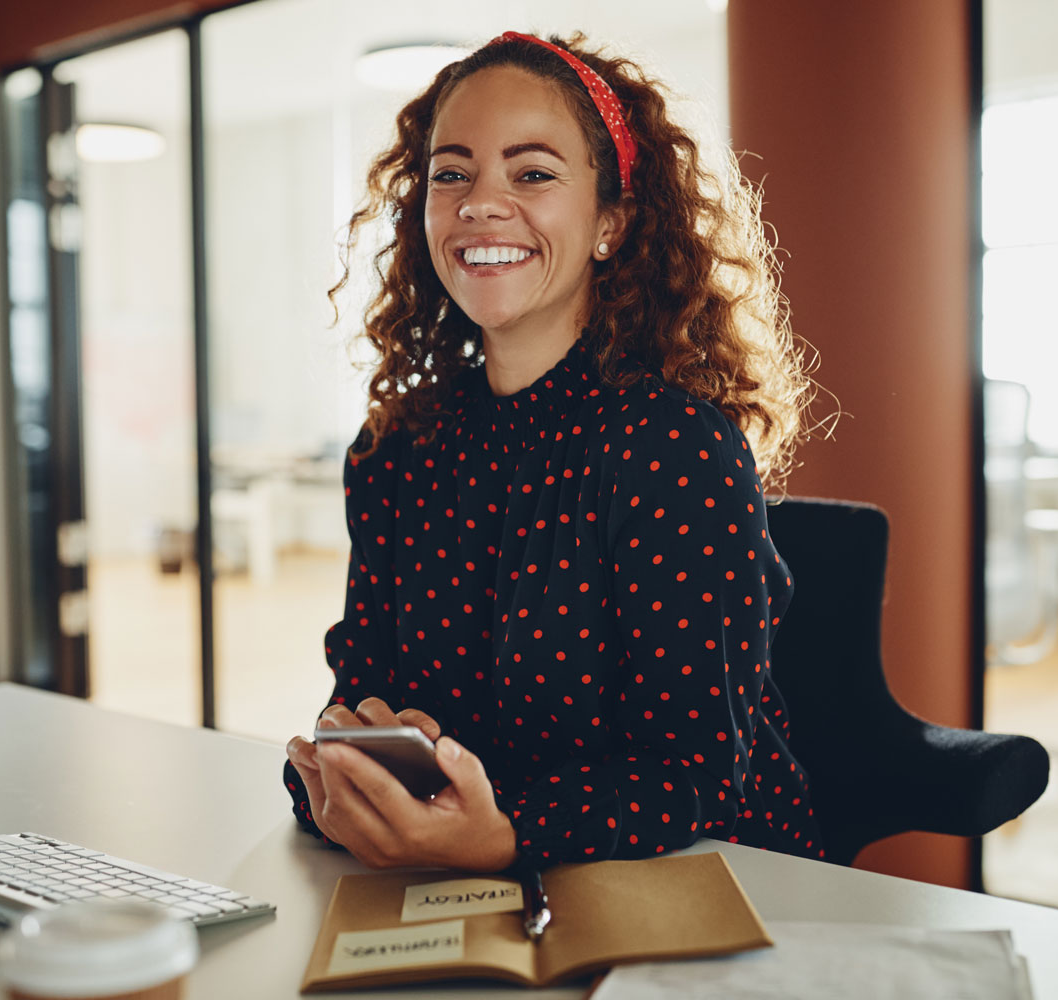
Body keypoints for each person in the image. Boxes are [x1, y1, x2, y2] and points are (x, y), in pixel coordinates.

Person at [284, 30, 824, 873]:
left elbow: (696, 777)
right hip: (463, 883)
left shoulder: (672, 447)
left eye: (531, 173)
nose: (479, 204)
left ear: (611, 223)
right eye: (450, 174)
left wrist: (506, 835)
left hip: (708, 881)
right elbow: (357, 697)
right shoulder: (396, 449)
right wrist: (336, 772)